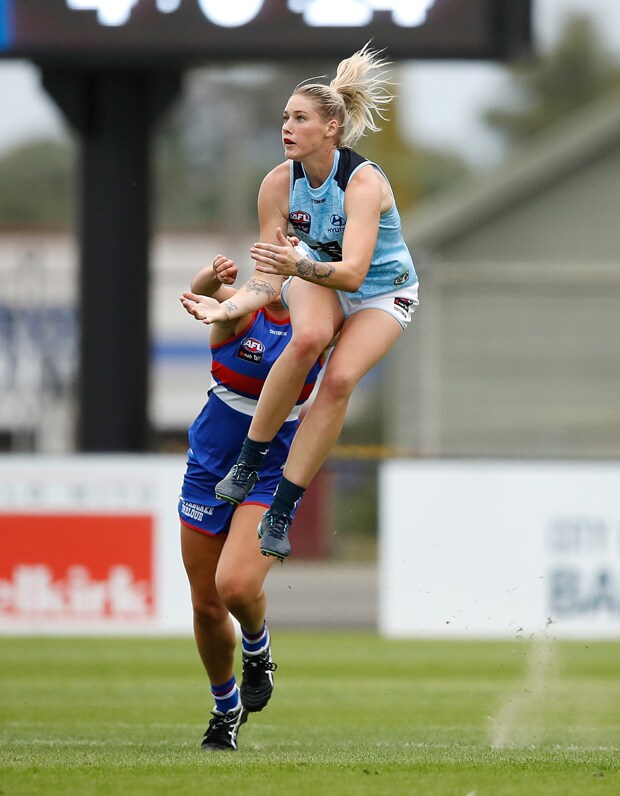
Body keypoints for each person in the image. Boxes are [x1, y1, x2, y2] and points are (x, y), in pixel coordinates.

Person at [181, 43, 418, 561]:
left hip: (382, 290)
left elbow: (355, 274)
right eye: (285, 117)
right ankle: (247, 463)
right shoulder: (276, 185)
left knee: (336, 382)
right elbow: (267, 281)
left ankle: (283, 507)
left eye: (300, 118)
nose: (287, 127)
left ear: (331, 128)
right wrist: (228, 308)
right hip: (314, 272)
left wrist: (296, 267)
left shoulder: (362, 182)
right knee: (308, 337)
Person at [178, 248, 324, 751]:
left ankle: (258, 651)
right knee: (205, 605)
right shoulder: (241, 312)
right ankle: (226, 710)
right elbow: (204, 294)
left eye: (295, 263)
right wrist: (207, 277)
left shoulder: (318, 325)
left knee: (236, 587)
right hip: (211, 464)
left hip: (270, 468)